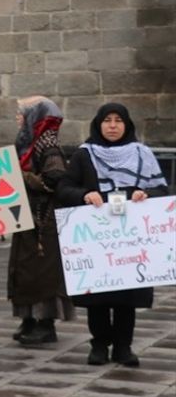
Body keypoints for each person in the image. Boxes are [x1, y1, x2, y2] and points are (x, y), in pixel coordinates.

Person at [58, 103, 168, 366]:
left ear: (127, 124)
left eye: (119, 120)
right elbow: (63, 188)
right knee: (98, 297)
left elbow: (163, 191)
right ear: (99, 124)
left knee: (126, 298)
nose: (113, 125)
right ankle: (99, 344)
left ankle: (123, 347)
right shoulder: (85, 155)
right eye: (107, 120)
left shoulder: (143, 154)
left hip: (130, 240)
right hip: (97, 238)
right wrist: (84, 194)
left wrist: (147, 194)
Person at [9, 96, 72, 344]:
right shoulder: (25, 144)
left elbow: (54, 178)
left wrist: (23, 178)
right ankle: (28, 320)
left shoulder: (47, 145)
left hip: (43, 221)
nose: (17, 118)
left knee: (42, 273)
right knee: (23, 271)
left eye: (22, 113)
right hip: (25, 219)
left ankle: (46, 324)